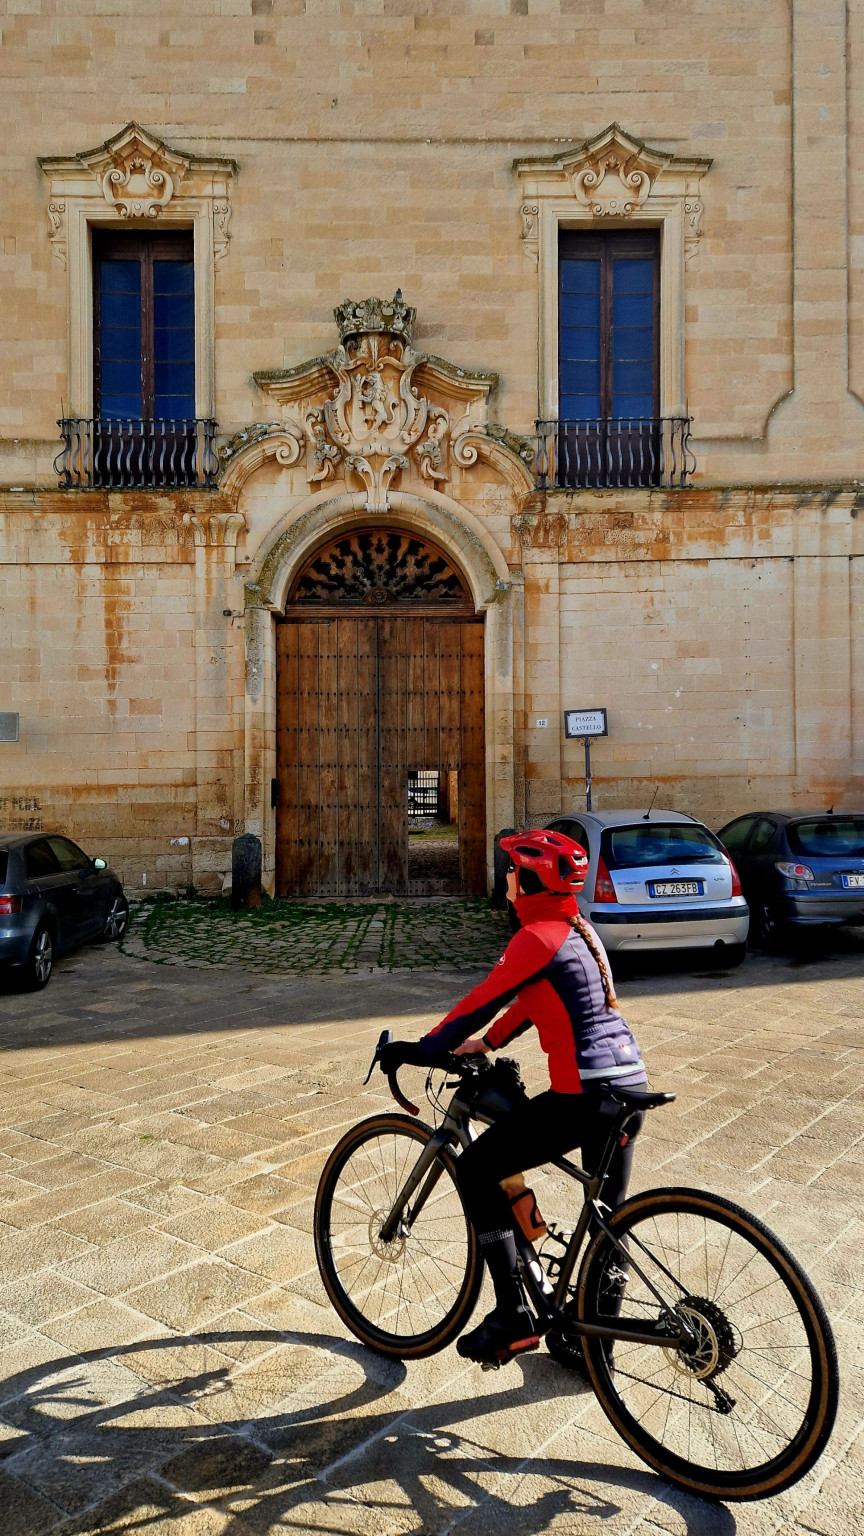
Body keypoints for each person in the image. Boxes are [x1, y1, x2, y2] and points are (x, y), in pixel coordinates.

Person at [380, 828, 647, 1367]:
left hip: (584, 1093)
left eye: (511, 870)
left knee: (478, 1168)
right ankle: (594, 1345)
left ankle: (513, 1316)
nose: (505, 877)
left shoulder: (536, 936)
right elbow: (536, 1000)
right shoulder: (578, 931)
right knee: (606, 1218)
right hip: (629, 1084)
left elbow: (482, 999)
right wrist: (490, 1043)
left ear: (528, 879)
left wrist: (426, 1048)